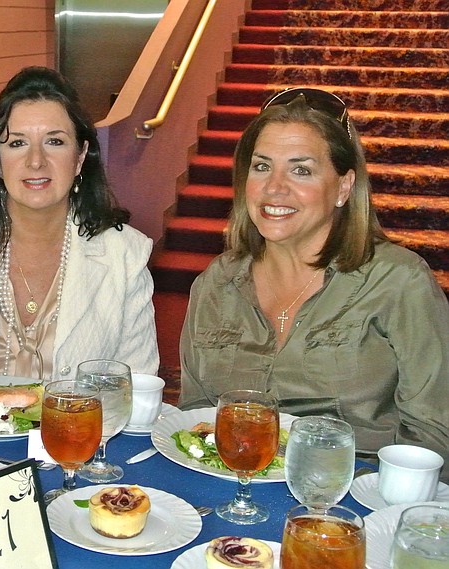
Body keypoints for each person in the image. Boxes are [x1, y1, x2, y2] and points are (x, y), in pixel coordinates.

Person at [179, 87, 449, 480]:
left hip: (356, 502)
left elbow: (434, 433)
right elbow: (197, 414)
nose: (274, 188)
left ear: (343, 187)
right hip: (234, 490)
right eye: (261, 166)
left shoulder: (399, 282)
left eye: (301, 169)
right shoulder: (215, 284)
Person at [0, 66, 158, 381]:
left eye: (55, 142)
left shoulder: (126, 255)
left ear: (80, 156)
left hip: (85, 431)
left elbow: (136, 384)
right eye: (17, 143)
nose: (36, 161)